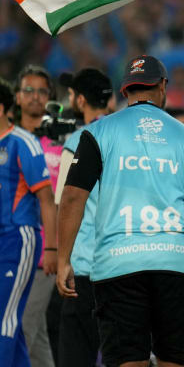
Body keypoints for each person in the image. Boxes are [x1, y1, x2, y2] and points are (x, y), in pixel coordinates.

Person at [57, 55, 184, 367]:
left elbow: (73, 197)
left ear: (126, 91)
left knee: (129, 359)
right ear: (162, 86)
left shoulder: (99, 133)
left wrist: (64, 259)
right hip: (176, 262)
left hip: (118, 263)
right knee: (174, 358)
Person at [53, 68, 112, 367]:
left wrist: (61, 259)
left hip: (84, 267)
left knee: (76, 353)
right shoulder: (124, 137)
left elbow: (63, 201)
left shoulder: (77, 140)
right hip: (121, 265)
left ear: (80, 100)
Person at [0, 77, 58, 367]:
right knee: (14, 325)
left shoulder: (24, 143)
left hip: (19, 239)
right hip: (2, 243)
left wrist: (52, 250)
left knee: (5, 320)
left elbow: (46, 198)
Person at [14, 65, 62, 367]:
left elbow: (57, 202)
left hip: (44, 252)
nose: (34, 97)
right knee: (37, 334)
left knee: (21, 328)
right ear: (17, 97)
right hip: (11, 248)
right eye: (28, 90)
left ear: (50, 97)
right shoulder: (8, 140)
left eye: (41, 91)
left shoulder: (58, 146)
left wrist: (54, 249)